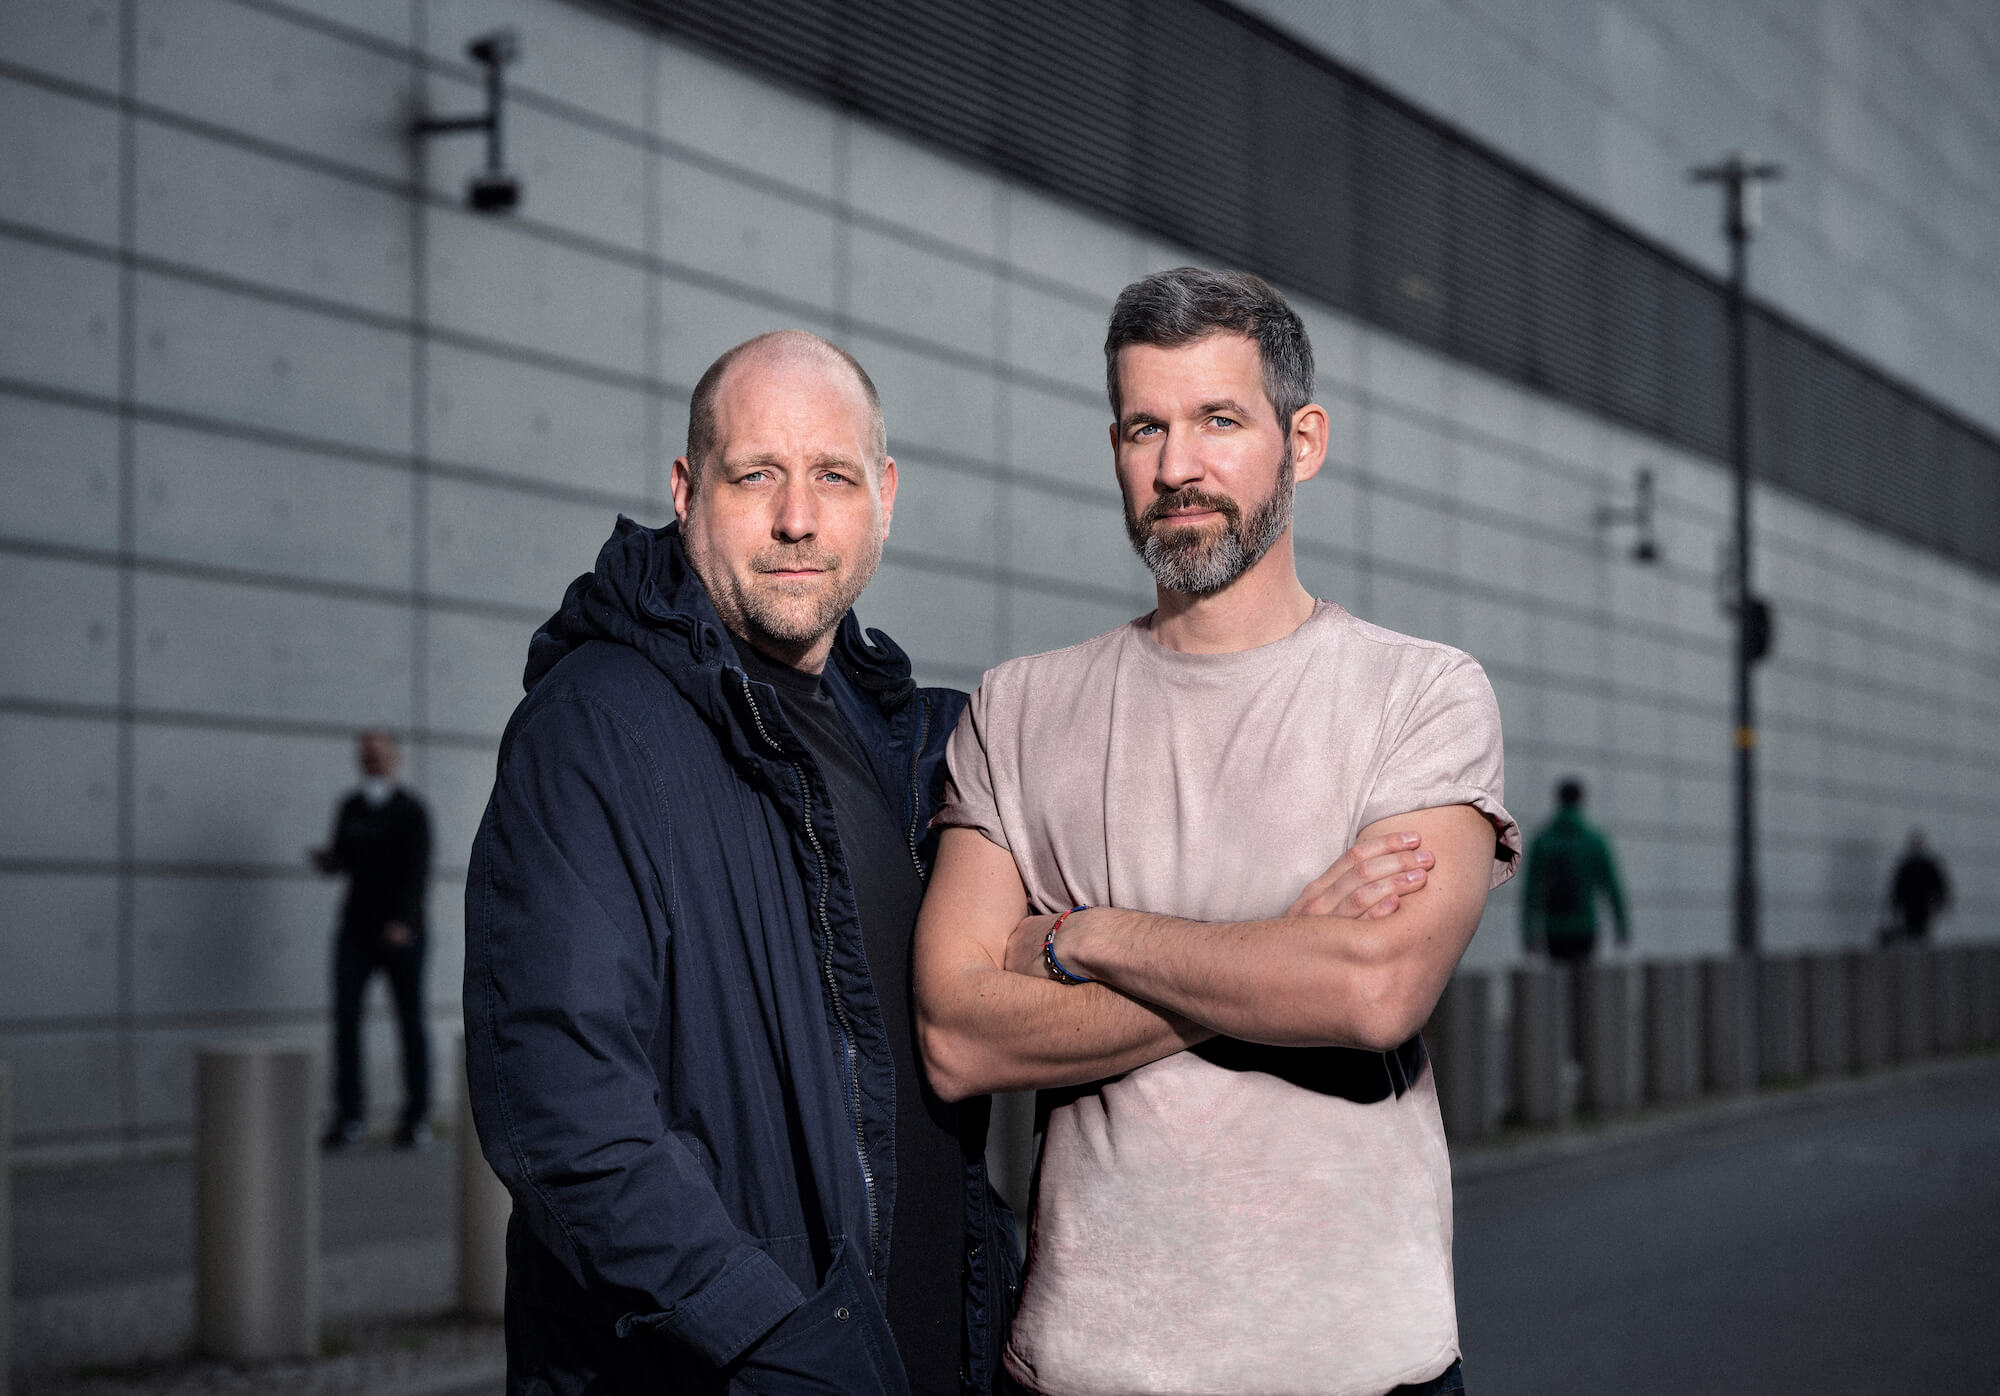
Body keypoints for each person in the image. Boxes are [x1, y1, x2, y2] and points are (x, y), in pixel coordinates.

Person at [914, 267, 1519, 1396]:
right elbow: (957, 1037)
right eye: (1146, 427)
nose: (1176, 466)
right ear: (1115, 449)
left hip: (1360, 1371)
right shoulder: (1018, 708)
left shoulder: (1421, 694)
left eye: (1219, 421)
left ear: (1303, 441)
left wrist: (1088, 936)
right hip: (1083, 1370)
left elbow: (1371, 993)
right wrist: (1279, 952)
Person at [464, 330, 1016, 1396]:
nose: (797, 517)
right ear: (686, 492)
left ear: (884, 496)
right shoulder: (592, 732)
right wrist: (784, 1352)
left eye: (833, 477)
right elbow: (570, 1121)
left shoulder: (902, 741)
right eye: (756, 474)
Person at [311, 728, 433, 1149]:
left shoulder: (411, 811)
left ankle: (416, 1117)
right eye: (365, 754)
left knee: (410, 1023)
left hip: (402, 933)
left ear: (394, 757)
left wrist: (403, 922)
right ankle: (350, 1117)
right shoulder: (351, 807)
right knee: (346, 1020)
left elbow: (417, 873)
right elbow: (344, 858)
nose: (371, 760)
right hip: (357, 930)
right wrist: (328, 861)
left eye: (378, 753)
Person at [1519, 777, 1630, 965]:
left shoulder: (1543, 841)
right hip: (1584, 926)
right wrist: (1621, 927)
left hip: (1554, 928)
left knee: (1557, 978)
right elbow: (1611, 887)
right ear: (1581, 800)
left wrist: (1528, 933)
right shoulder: (1594, 840)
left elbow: (1531, 892)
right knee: (1585, 979)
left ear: (1558, 800)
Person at [1888, 829, 1951, 943]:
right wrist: (1895, 905)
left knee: (1921, 929)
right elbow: (1898, 888)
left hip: (1923, 903)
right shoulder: (1908, 865)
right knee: (1911, 929)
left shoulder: (1926, 865)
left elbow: (1938, 884)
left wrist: (1941, 900)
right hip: (1910, 904)